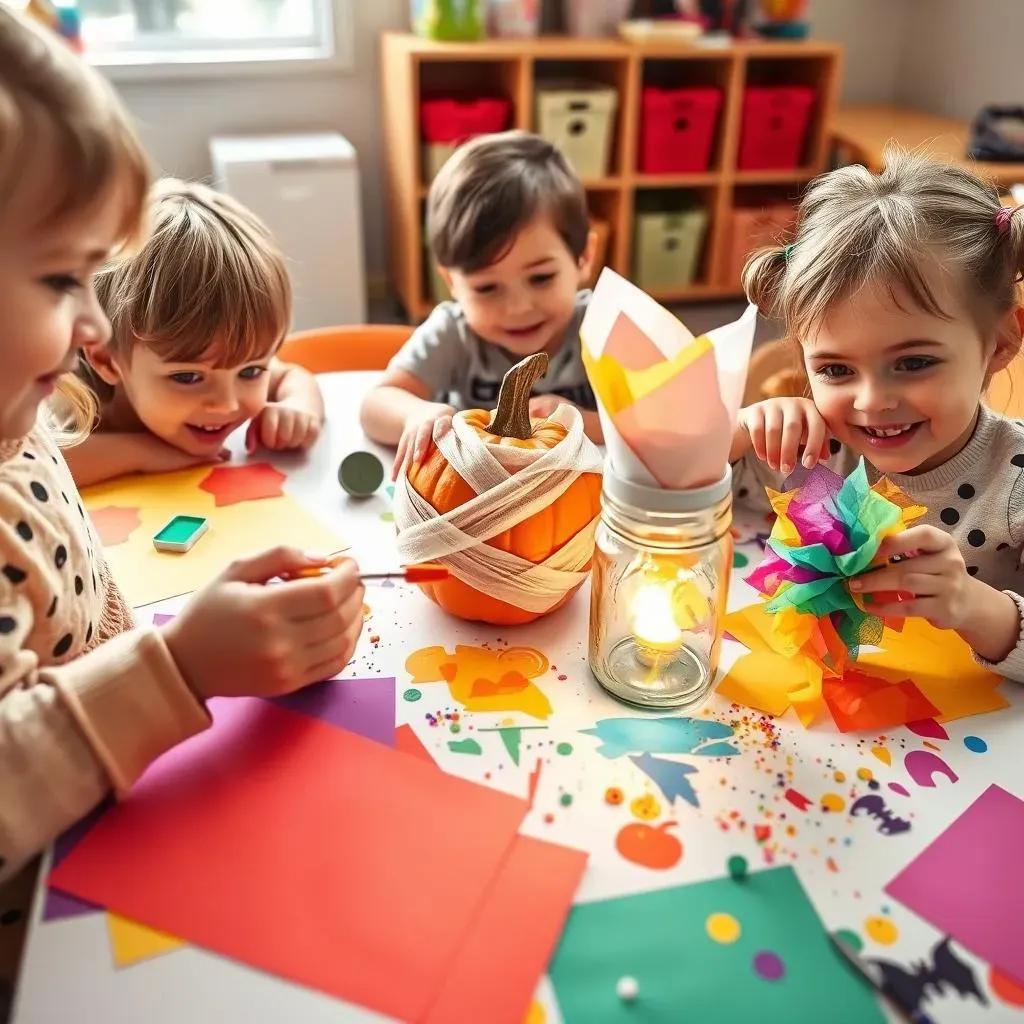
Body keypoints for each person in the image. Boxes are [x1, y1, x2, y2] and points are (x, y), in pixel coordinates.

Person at [0, 6, 364, 991]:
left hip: (140, 798)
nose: (86, 325)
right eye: (59, 278)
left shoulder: (17, 417)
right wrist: (180, 664)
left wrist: (176, 652)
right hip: (54, 941)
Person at [730, 150, 1024, 676]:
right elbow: (668, 492)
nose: (871, 402)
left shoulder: (1015, 485)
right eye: (836, 371)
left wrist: (972, 606)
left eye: (913, 362)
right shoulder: (818, 452)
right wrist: (732, 436)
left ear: (1001, 340)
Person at [359, 130, 602, 478]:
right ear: (451, 283)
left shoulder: (605, 326)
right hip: (470, 498)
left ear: (583, 258)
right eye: (487, 288)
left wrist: (582, 423)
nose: (518, 307)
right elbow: (374, 406)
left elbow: (662, 425)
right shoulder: (452, 333)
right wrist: (417, 414)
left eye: (541, 278)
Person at [63, 178, 324, 487]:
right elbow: (34, 463)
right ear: (106, 359)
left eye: (251, 371)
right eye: (188, 377)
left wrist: (298, 408)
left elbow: (295, 376)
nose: (226, 404)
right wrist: (141, 452)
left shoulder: (217, 358)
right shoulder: (70, 396)